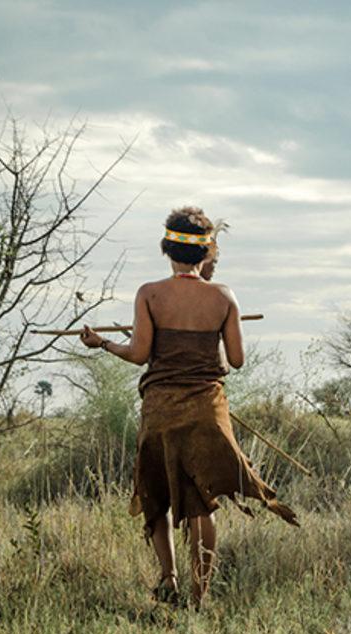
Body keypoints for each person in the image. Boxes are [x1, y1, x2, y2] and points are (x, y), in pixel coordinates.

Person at [80, 207, 297, 609]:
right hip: (206, 412)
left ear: (167, 249)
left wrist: (103, 344)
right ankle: (199, 597)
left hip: (160, 410)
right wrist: (212, 338)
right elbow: (236, 360)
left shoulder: (150, 294)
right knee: (202, 500)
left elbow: (139, 354)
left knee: (155, 492)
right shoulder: (223, 297)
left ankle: (170, 578)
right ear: (205, 254)